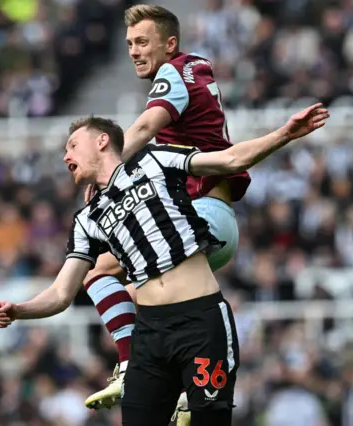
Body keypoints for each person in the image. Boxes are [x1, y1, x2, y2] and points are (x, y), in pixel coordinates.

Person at [0, 106, 328, 426]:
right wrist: (19, 309)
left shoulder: (154, 160)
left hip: (200, 321)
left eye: (73, 146)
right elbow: (61, 293)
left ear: (102, 140)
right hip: (150, 334)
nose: (66, 156)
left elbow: (231, 159)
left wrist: (286, 133)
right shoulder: (86, 221)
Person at [82, 4, 253, 411]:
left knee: (102, 273)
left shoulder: (175, 72)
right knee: (144, 297)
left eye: (143, 42)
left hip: (201, 215)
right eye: (128, 44)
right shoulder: (194, 72)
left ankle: (133, 366)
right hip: (215, 220)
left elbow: (143, 127)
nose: (134, 51)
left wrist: (105, 168)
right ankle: (181, 391)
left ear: (169, 43)